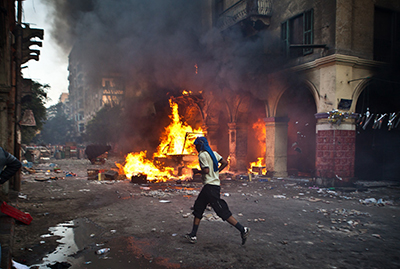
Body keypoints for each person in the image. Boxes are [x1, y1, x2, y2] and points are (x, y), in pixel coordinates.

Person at [185, 137, 250, 245]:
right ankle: (193, 235)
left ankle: (243, 230)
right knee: (198, 207)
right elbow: (224, 163)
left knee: (221, 211)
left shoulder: (202, 155)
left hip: (211, 187)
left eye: (196, 146)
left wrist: (197, 172)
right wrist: (216, 173)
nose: (196, 148)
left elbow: (206, 170)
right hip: (210, 186)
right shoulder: (213, 153)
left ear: (200, 146)